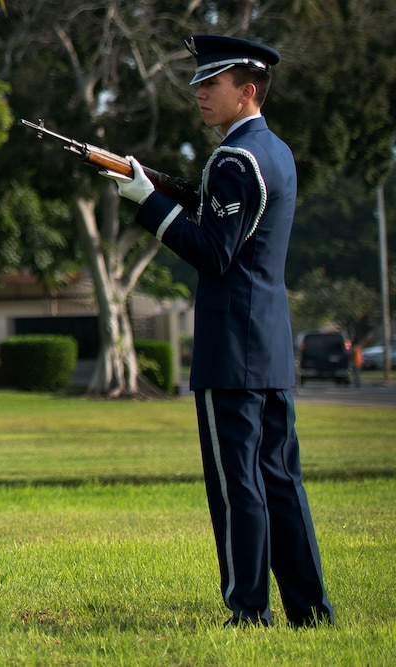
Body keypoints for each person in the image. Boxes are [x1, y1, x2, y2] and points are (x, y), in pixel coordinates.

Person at [102, 35, 334, 627]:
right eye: (200, 84)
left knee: (238, 487)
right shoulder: (275, 152)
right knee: (281, 482)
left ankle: (247, 609)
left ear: (247, 90)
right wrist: (158, 185)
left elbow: (214, 253)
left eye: (213, 84)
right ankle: (310, 610)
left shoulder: (235, 160)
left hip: (232, 348)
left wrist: (148, 203)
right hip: (270, 345)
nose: (201, 94)